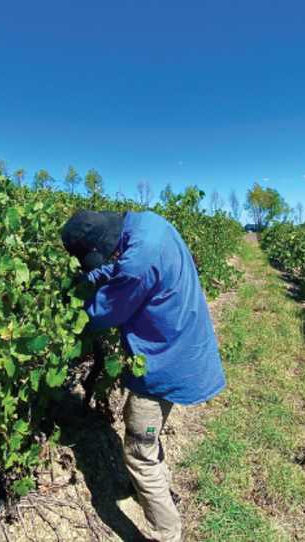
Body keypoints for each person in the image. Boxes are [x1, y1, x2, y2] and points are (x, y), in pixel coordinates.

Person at [61, 210, 226, 542]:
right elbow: (124, 269)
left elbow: (104, 312)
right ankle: (155, 488)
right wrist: (92, 278)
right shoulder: (148, 225)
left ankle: (168, 534)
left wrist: (69, 313)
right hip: (184, 344)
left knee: (139, 448)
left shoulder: (138, 260)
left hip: (164, 362)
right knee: (145, 431)